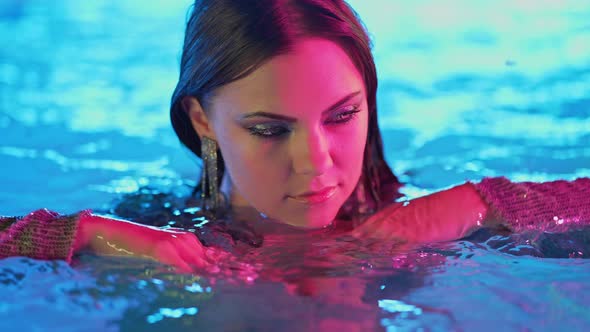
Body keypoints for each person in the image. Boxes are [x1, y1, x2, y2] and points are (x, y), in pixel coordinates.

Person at [1, 0, 589, 273]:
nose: (315, 164)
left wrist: (479, 200)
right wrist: (90, 233)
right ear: (202, 120)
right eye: (268, 129)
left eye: (342, 115)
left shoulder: (442, 225)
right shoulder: (153, 232)